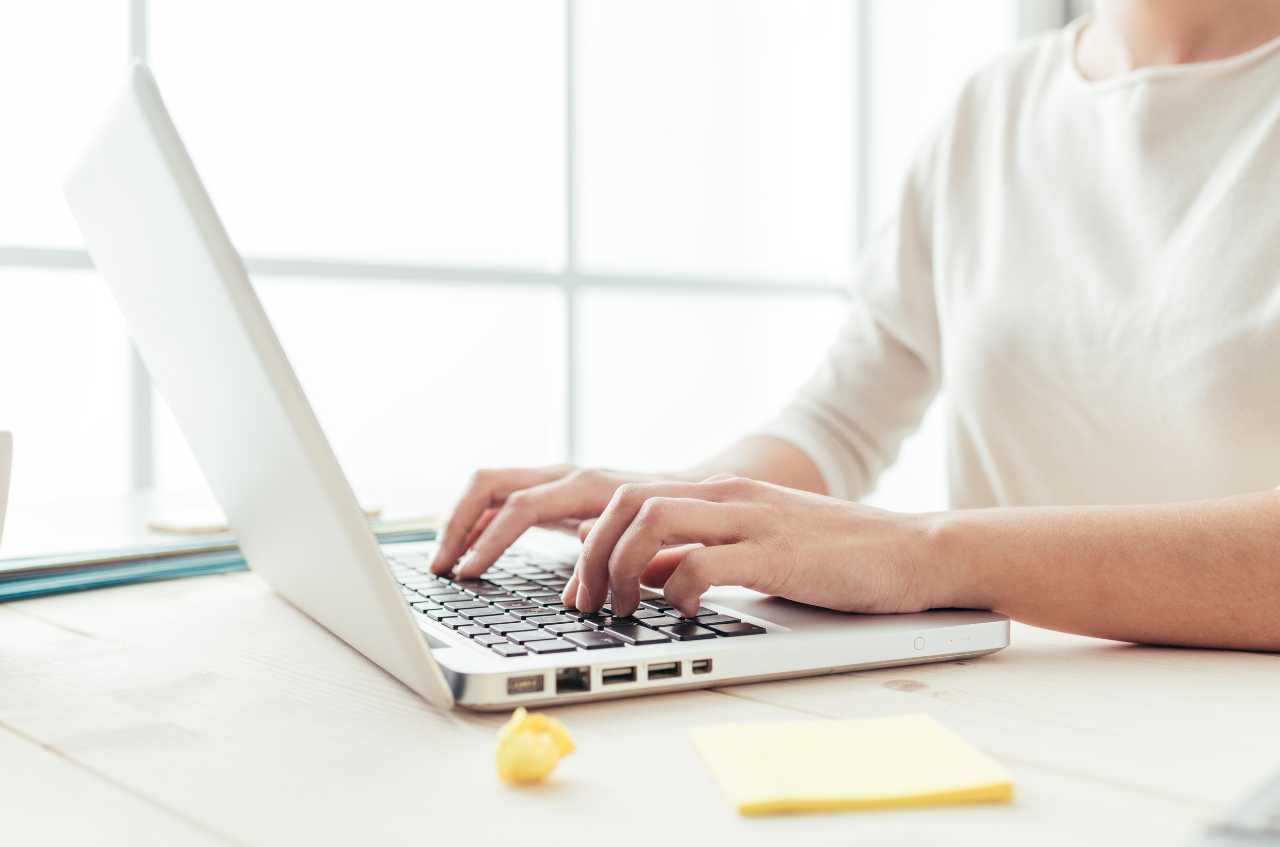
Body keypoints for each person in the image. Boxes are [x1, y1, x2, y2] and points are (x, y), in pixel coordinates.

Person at [431, 0, 1280, 652]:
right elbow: (841, 421)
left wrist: (927, 554)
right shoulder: (998, 105)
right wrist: (673, 503)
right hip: (1015, 704)